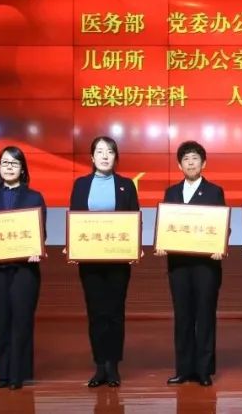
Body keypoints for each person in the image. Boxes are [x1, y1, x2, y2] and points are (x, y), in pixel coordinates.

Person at [68, 135, 141, 388]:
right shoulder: (81, 185)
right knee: (96, 312)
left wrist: (134, 246)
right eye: (99, 151)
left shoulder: (126, 185)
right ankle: (100, 365)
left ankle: (113, 365)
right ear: (92, 157)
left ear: (116, 157)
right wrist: (72, 245)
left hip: (118, 260)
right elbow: (75, 218)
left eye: (110, 151)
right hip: (90, 260)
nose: (105, 156)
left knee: (115, 312)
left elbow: (134, 218)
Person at [0, 146, 46, 390]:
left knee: (21, 321)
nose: (9, 167)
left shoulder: (34, 197)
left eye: (14, 163)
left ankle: (18, 374)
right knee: (0, 322)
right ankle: (2, 374)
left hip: (25, 270)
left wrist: (36, 248)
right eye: (4, 163)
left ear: (22, 168)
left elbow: (40, 232)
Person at [158, 140, 227, 386]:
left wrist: (220, 246)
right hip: (178, 265)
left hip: (206, 265)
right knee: (183, 316)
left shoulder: (214, 191)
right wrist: (162, 242)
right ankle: (184, 369)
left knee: (205, 315)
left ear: (203, 163)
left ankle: (204, 370)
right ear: (179, 165)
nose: (190, 163)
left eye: (195, 158)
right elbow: (166, 225)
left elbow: (221, 224)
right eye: (185, 159)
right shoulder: (172, 192)